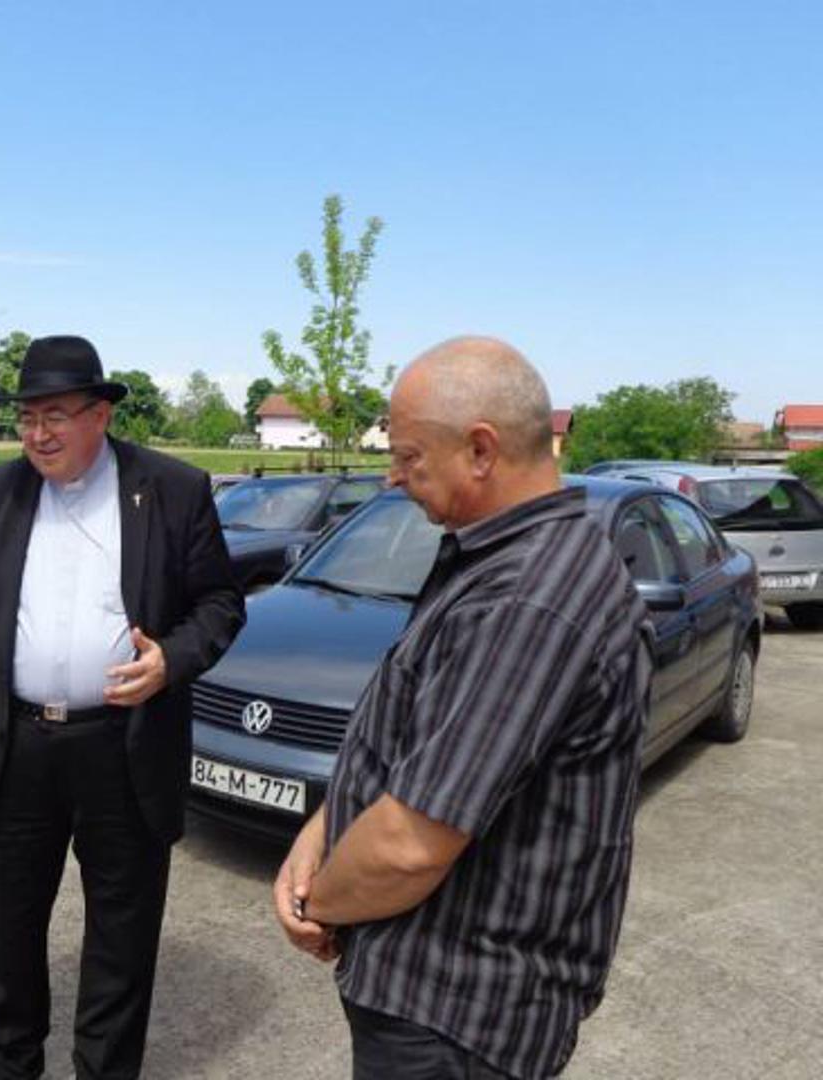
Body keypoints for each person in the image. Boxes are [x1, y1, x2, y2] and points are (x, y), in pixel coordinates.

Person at [273, 337, 653, 1080]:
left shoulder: (529, 599)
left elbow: (410, 846)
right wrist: (323, 831)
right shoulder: (503, 560)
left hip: (455, 1020)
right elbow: (416, 743)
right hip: (437, 1003)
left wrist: (317, 903)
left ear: (481, 450)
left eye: (409, 456)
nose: (393, 475)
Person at [0, 335, 245, 1080]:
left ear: (100, 414)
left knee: (120, 949)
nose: (37, 434)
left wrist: (170, 660)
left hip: (124, 747)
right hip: (18, 748)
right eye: (27, 418)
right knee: (8, 945)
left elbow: (220, 603)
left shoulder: (172, 489)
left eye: (56, 416)